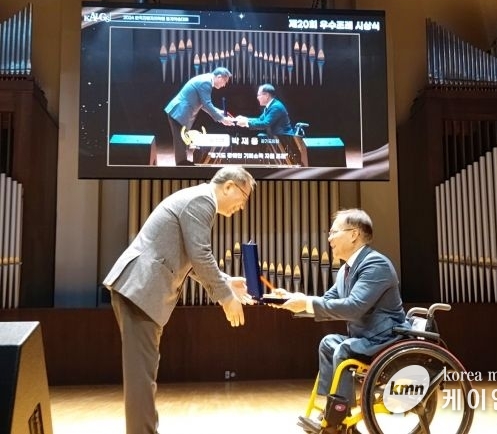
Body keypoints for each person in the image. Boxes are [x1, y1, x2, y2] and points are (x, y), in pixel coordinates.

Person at [103, 166, 256, 434]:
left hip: (141, 289)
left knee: (144, 373)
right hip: (141, 287)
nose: (241, 207)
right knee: (141, 377)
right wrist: (225, 297)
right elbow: (200, 254)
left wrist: (226, 281)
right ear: (229, 186)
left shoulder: (198, 199)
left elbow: (190, 258)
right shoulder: (202, 201)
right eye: (243, 199)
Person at [274, 209, 409, 429]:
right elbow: (326, 301)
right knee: (329, 343)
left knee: (343, 349)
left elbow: (353, 308)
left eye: (333, 232)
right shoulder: (346, 269)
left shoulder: (376, 264)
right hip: (366, 338)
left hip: (385, 339)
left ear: (354, 234)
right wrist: (289, 299)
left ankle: (337, 418)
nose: (329, 239)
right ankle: (334, 409)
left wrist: (306, 302)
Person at [164, 67, 235, 165]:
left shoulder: (206, 79)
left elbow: (204, 104)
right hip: (179, 112)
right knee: (180, 141)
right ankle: (181, 167)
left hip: (180, 112)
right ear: (219, 77)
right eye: (225, 81)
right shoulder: (206, 83)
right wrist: (222, 119)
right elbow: (207, 104)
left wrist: (219, 112)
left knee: (182, 141)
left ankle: (182, 164)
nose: (224, 85)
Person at [235, 83, 307, 166]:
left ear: (266, 96)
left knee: (260, 137)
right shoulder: (270, 106)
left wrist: (246, 123)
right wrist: (246, 119)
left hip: (284, 140)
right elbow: (260, 120)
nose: (257, 97)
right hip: (277, 138)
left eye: (259, 95)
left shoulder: (276, 107)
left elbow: (266, 124)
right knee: (260, 136)